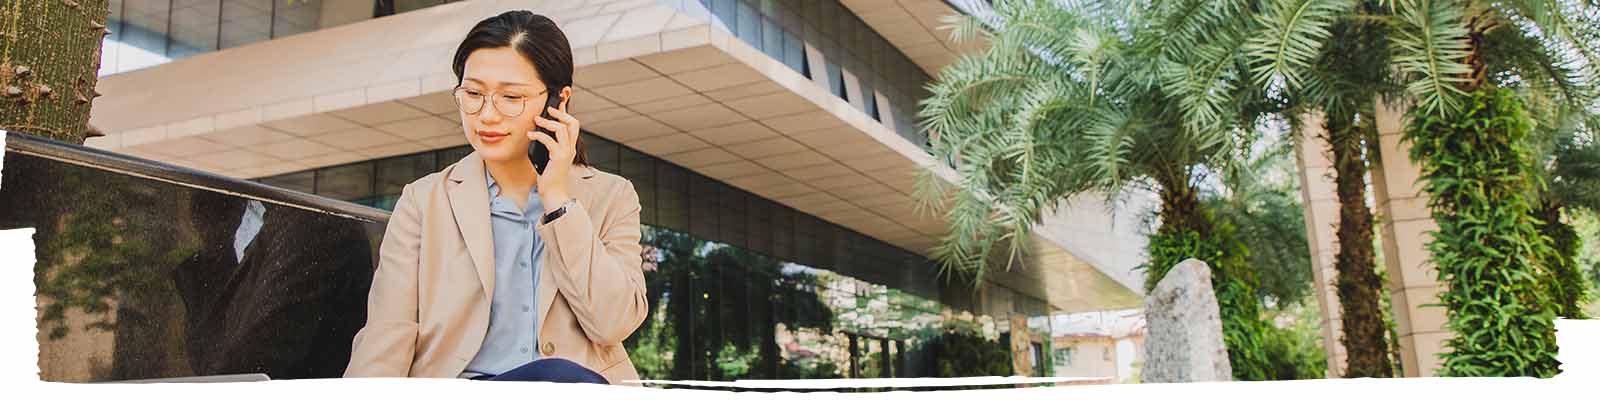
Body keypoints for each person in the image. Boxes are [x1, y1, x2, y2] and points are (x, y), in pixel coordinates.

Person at [343, 11, 647, 385]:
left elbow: (613, 322)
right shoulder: (424, 201)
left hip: (576, 388)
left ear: (558, 100)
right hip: (468, 388)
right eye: (472, 94)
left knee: (562, 377)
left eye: (510, 97)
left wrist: (557, 200)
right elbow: (388, 333)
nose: (486, 115)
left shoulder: (611, 196)